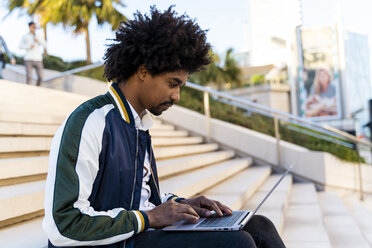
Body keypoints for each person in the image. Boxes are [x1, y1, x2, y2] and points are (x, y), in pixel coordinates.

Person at [43, 7, 286, 248]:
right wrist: (149, 218)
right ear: (143, 71)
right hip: (110, 243)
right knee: (237, 243)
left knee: (260, 226)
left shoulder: (138, 126)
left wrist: (184, 203)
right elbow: (63, 224)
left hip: (135, 234)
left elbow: (142, 198)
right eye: (173, 83)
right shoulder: (91, 122)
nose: (177, 96)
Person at [19, 21, 46, 86]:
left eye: (35, 27)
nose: (34, 28)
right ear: (29, 27)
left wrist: (38, 41)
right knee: (29, 77)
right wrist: (28, 46)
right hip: (28, 58)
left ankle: (37, 89)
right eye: (33, 27)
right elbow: (20, 46)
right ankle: (28, 92)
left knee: (40, 76)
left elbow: (45, 45)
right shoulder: (25, 36)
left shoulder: (39, 36)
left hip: (38, 59)